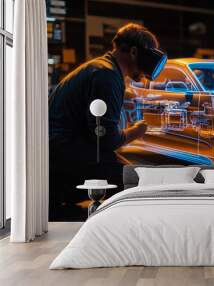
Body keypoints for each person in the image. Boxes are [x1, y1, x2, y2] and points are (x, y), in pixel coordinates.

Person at [49, 23, 164, 220]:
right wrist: (137, 131)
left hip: (59, 149)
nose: (146, 75)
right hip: (66, 152)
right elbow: (106, 139)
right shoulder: (107, 76)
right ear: (134, 52)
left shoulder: (102, 69)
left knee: (126, 168)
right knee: (137, 181)